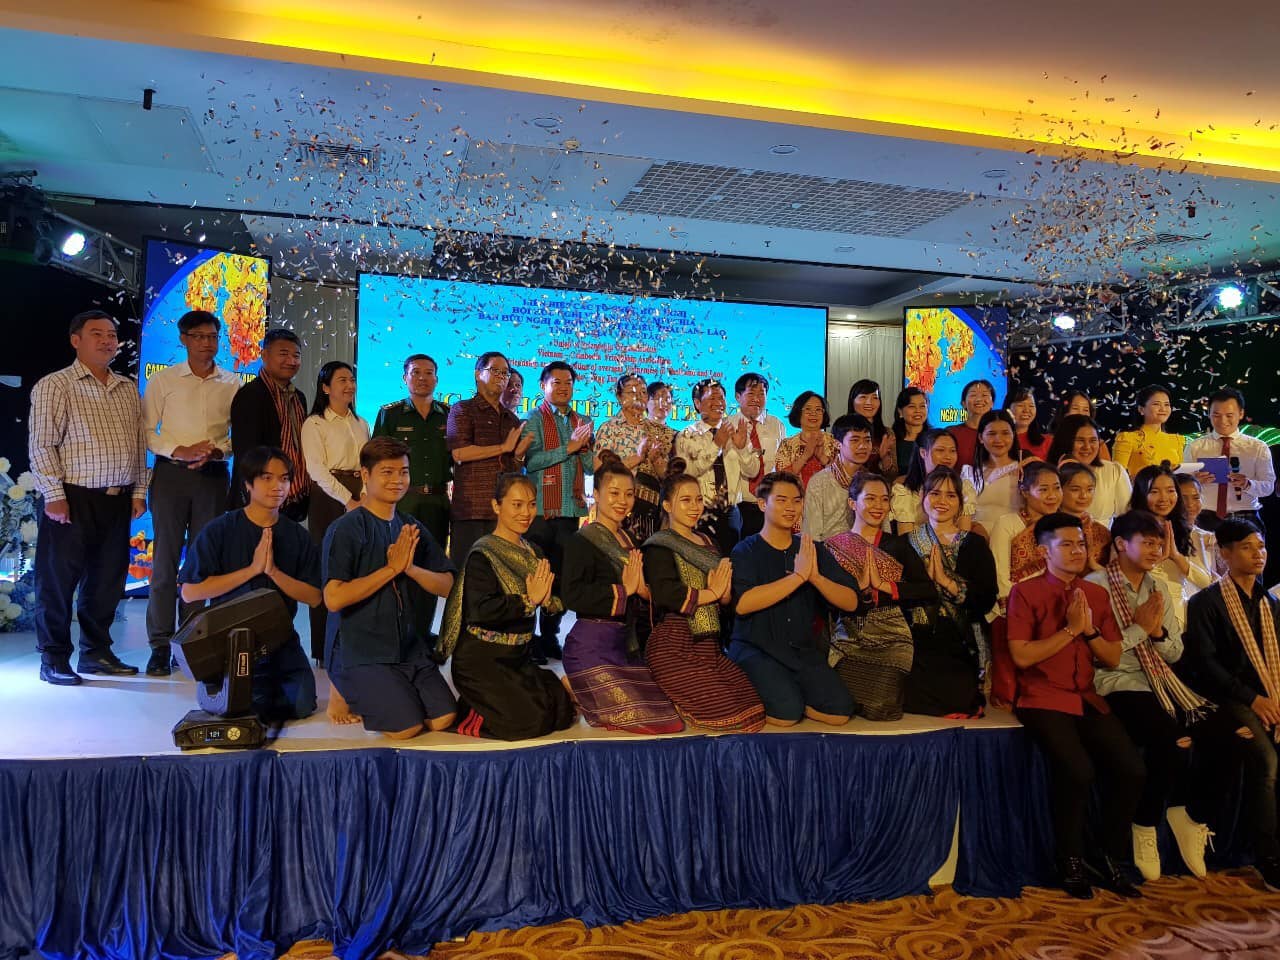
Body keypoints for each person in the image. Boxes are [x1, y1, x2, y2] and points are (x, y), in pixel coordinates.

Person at [1006, 512, 1145, 899]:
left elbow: (1112, 657)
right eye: (1066, 544)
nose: (1077, 551)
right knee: (1079, 770)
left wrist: (1090, 630)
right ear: (1043, 551)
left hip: (1086, 696)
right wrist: (1070, 630)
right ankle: (1069, 860)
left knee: (1132, 769)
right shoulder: (1026, 592)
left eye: (1081, 544)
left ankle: (1108, 856)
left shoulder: (1096, 595)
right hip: (1042, 697)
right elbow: (1021, 656)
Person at [1086, 510, 1215, 881]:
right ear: (1121, 544)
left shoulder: (1158, 587)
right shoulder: (1096, 585)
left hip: (1159, 680)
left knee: (1224, 731)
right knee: (1172, 741)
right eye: (1147, 542)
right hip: (1116, 682)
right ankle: (1145, 825)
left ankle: (1188, 816)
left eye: (1159, 544)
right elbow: (1101, 654)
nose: (1155, 550)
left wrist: (1156, 633)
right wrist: (1141, 629)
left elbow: (1174, 652)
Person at [29, 309, 148, 684]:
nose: (107, 340)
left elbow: (139, 444)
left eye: (112, 334)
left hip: (118, 499)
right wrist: (54, 494)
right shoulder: (55, 384)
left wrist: (139, 491)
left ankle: (96, 653)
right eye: (97, 333)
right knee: (58, 581)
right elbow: (42, 444)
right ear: (75, 340)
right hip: (72, 498)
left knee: (107, 580)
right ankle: (53, 658)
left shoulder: (127, 388)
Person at [322, 438, 457, 739]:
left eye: (403, 472)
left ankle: (388, 693)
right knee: (406, 728)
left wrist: (410, 569)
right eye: (387, 472)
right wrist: (391, 570)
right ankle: (343, 685)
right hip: (361, 649)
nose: (397, 480)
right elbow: (333, 599)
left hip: (407, 647)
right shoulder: (347, 528)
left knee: (444, 718)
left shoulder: (410, 527)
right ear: (365, 475)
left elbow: (449, 585)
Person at [178, 446, 319, 723]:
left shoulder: (296, 535)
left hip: (280, 640)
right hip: (231, 642)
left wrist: (273, 572)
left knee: (302, 704)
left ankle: (255, 698)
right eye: (267, 478)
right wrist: (251, 570)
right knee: (246, 705)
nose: (278, 486)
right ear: (248, 484)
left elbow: (315, 597)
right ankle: (231, 693)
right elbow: (190, 591)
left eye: (284, 479)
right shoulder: (221, 529)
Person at [1181, 517, 1280, 892]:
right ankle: (1267, 857)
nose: (1258, 554)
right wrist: (1254, 699)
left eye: (1261, 546)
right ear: (1224, 554)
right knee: (1266, 761)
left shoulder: (1270, 602)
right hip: (1227, 698)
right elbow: (1206, 666)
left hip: (1269, 694)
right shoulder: (1206, 603)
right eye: (1247, 548)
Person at [439, 473, 576, 740]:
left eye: (532, 504)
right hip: (482, 660)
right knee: (530, 723)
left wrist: (548, 601)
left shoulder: (534, 552)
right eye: (517, 505)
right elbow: (481, 610)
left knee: (560, 714)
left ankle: (533, 690)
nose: (526, 513)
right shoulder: (483, 554)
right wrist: (528, 601)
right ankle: (470, 712)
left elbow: (555, 599)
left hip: (517, 658)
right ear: (496, 506)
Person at [140, 309, 239, 676]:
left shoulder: (232, 383)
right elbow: (147, 431)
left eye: (212, 336)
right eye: (198, 336)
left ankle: (191, 641)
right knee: (164, 562)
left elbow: (236, 436)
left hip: (212, 477)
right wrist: (178, 450)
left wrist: (217, 452)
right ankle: (159, 645)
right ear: (183, 339)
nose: (206, 343)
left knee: (201, 564)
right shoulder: (163, 380)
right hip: (171, 476)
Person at [560, 453, 683, 734]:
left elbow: (644, 591)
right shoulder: (581, 540)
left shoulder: (630, 539)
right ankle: (573, 683)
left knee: (668, 715)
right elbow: (572, 595)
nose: (622, 501)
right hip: (590, 645)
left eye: (629, 494)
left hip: (626, 645)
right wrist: (623, 590)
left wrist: (643, 591)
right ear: (596, 494)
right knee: (650, 722)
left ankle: (580, 689)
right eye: (614, 493)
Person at [642, 461, 766, 732]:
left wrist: (724, 596)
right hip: (674, 645)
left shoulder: (709, 542)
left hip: (709, 646)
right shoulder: (659, 545)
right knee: (726, 713)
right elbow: (666, 594)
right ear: (667, 506)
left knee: (751, 706)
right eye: (685, 500)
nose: (695, 506)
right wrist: (711, 593)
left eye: (698, 499)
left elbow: (725, 597)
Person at [728, 472, 860, 726]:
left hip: (800, 651)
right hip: (757, 647)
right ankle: (783, 698)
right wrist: (798, 577)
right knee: (786, 714)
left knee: (840, 711)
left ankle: (798, 697)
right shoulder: (746, 549)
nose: (791, 507)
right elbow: (743, 604)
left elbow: (851, 601)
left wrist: (815, 577)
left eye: (796, 501)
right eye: (781, 500)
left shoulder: (811, 549)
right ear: (762, 504)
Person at [825, 473, 937, 720]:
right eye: (871, 498)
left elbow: (927, 590)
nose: (879, 506)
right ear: (852, 503)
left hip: (892, 636)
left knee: (880, 710)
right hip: (848, 636)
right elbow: (824, 600)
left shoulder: (899, 545)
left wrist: (885, 586)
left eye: (884, 499)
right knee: (840, 704)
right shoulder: (833, 546)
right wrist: (857, 590)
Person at [902, 467, 998, 717]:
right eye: (935, 493)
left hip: (960, 637)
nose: (942, 501)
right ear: (923, 497)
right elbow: (898, 595)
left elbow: (986, 599)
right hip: (916, 638)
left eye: (951, 495)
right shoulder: (905, 544)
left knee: (960, 700)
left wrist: (947, 582)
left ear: (960, 502)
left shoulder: (974, 545)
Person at [523, 360, 594, 662]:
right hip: (538, 513)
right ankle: (527, 640)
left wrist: (586, 448)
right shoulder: (532, 418)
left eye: (568, 383)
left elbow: (588, 466)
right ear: (543, 386)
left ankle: (550, 636)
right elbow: (531, 461)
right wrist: (569, 448)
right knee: (532, 576)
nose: (563, 388)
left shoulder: (582, 421)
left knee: (561, 579)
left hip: (569, 512)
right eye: (557, 382)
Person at [301, 361, 370, 662]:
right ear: (326, 387)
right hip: (328, 497)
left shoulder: (361, 423)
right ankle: (322, 647)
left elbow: (367, 464)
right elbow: (316, 469)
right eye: (342, 380)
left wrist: (364, 494)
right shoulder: (314, 423)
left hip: (360, 494)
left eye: (352, 379)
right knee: (327, 569)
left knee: (358, 568)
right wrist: (348, 500)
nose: (349, 385)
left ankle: (353, 643)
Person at [372, 353, 453, 579]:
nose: (422, 378)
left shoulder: (449, 414)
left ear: (436, 379)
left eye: (429, 373)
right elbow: (377, 459)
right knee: (399, 565)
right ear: (405, 378)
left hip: (438, 502)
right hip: (402, 501)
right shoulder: (390, 414)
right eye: (415, 372)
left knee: (433, 567)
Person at [447, 351, 530, 565]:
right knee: (466, 573)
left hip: (504, 513)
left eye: (505, 373)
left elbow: (513, 467)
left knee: (501, 574)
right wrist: (503, 447)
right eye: (495, 371)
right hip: (472, 510)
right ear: (478, 374)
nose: (501, 377)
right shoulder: (462, 409)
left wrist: (519, 455)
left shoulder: (511, 419)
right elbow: (459, 453)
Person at [229, 328, 309, 521]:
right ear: (264, 355)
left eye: (296, 356)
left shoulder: (299, 397)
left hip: (292, 496)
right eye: (283, 354)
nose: (291, 361)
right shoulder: (250, 395)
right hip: (260, 499)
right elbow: (246, 453)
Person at [675, 378, 760, 556]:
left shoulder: (736, 431)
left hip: (731, 511)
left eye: (721, 398)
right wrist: (717, 444)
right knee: (702, 560)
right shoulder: (686, 435)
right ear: (697, 403)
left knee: (731, 562)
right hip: (699, 510)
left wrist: (742, 447)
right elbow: (689, 473)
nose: (718, 403)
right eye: (711, 398)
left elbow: (752, 471)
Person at [1129, 465, 1215, 625]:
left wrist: (1176, 556)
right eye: (1154, 491)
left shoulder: (1183, 530)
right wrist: (1154, 561)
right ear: (1141, 493)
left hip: (1180, 615)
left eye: (1170, 491)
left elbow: (1205, 581)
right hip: (1140, 611)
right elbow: (1121, 578)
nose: (1164, 498)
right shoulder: (1128, 530)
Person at [593, 373, 673, 544]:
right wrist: (637, 458)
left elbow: (666, 476)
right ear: (619, 396)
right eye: (631, 392)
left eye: (642, 392)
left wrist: (655, 461)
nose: (638, 396)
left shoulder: (657, 430)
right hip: (617, 509)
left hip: (652, 511)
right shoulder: (609, 428)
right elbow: (599, 470)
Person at [1185, 387, 1275, 534]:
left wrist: (1247, 484)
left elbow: (1268, 486)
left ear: (1241, 414)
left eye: (1229, 415)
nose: (1223, 421)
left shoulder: (1257, 447)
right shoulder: (1195, 446)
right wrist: (1195, 481)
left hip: (1245, 516)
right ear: (1209, 414)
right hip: (1205, 517)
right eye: (1216, 415)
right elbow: (1183, 484)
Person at [726, 372, 784, 539]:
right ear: (738, 396)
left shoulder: (776, 425)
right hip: (737, 506)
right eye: (751, 394)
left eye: (761, 394)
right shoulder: (727, 425)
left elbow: (781, 464)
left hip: (769, 504)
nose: (756, 399)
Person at [1046, 414, 1132, 527]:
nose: (1087, 447)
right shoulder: (1049, 474)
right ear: (1065, 442)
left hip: (1103, 536)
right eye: (1080, 441)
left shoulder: (1114, 471)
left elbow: (1128, 518)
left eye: (1093, 441)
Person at [892, 428, 980, 536]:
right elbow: (905, 539)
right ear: (923, 452)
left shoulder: (963, 488)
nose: (948, 456)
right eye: (940, 450)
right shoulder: (905, 491)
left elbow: (963, 536)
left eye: (952, 451)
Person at [801, 414, 873, 542]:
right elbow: (812, 535)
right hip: (827, 551)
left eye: (867, 440)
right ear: (837, 444)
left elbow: (884, 534)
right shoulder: (820, 482)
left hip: (868, 551)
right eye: (855, 440)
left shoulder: (873, 483)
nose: (863, 446)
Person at [960, 410, 1022, 531]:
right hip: (973, 535)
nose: (999, 439)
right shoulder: (969, 472)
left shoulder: (1022, 470)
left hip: (1010, 535)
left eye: (1005, 433)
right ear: (980, 438)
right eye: (992, 434)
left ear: (1013, 435)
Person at [1112, 385, 1185, 479]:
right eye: (1156, 404)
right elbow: (1117, 477)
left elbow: (1179, 476)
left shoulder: (1176, 440)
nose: (1163, 409)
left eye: (1167, 404)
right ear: (1141, 409)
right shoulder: (1127, 439)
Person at [774, 391, 838, 495]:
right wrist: (805, 456)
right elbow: (780, 480)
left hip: (829, 500)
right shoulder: (787, 444)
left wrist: (823, 458)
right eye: (808, 409)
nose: (813, 413)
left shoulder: (834, 443)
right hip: (796, 501)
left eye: (818, 409)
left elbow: (843, 477)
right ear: (798, 413)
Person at [1057, 462, 1115, 569]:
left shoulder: (1102, 533)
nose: (1083, 496)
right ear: (1059, 490)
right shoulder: (1047, 529)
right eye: (1075, 489)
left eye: (1089, 489)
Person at [1175, 473, 1226, 579]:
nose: (1190, 504)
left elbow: (1222, 577)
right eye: (1183, 499)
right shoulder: (1164, 536)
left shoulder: (1210, 539)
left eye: (1196, 497)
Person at [846, 379, 892, 475]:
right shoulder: (843, 430)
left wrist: (884, 457)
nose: (869, 402)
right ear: (852, 401)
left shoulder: (887, 433)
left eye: (875, 397)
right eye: (863, 397)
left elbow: (893, 475)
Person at [949, 379, 996, 468]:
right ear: (963, 403)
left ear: (992, 403)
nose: (979, 399)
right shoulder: (951, 432)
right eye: (973, 395)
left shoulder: (1000, 433)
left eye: (984, 395)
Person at [886, 386, 930, 480]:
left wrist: (908, 478)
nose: (918, 411)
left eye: (922, 406)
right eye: (912, 406)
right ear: (900, 411)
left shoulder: (934, 438)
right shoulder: (891, 439)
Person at [1006, 385, 1052, 461]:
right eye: (1020, 405)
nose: (1026, 410)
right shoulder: (999, 440)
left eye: (1031, 406)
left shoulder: (1047, 441)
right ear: (1008, 408)